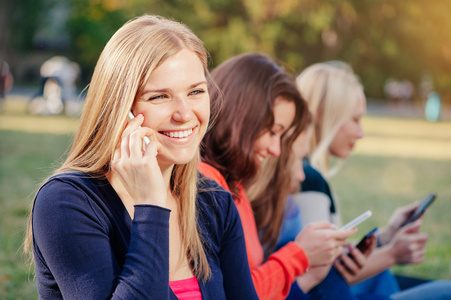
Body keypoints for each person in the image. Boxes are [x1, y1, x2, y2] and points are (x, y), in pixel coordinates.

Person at [24, 15, 258, 300]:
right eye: (159, 97)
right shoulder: (65, 203)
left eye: (196, 91)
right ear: (119, 110)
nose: (185, 114)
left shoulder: (213, 202)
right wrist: (151, 207)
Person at [277, 61, 451, 299]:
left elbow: (331, 263)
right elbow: (321, 278)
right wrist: (392, 254)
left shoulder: (307, 174)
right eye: (355, 120)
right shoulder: (308, 180)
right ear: (326, 117)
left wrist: (386, 236)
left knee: (389, 278)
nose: (361, 133)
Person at [198, 52, 357, 300]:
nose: (275, 150)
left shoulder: (232, 184)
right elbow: (237, 293)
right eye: (273, 131)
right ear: (241, 119)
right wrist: (299, 255)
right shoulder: (207, 187)